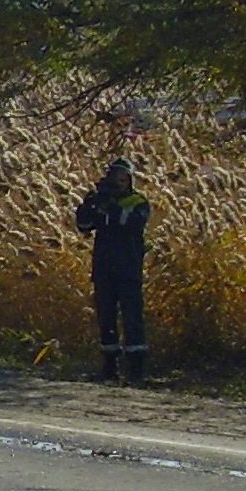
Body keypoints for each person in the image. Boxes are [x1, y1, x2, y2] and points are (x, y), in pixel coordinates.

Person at [75, 157, 152, 384]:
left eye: (121, 177)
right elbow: (85, 228)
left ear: (129, 179)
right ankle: (110, 368)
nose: (117, 182)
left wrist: (110, 207)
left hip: (128, 269)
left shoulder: (138, 202)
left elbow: (131, 223)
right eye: (113, 176)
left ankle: (136, 370)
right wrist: (87, 208)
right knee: (106, 317)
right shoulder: (102, 201)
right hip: (104, 268)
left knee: (132, 318)